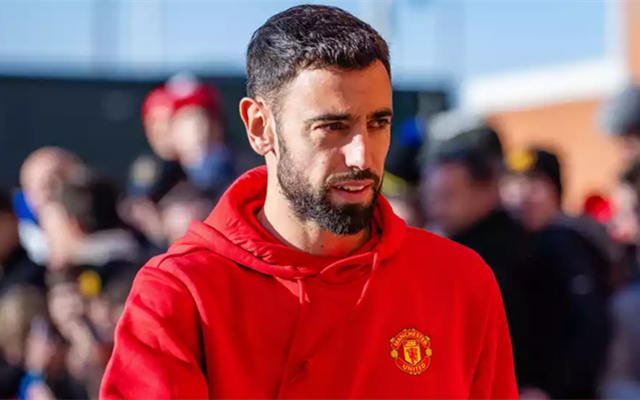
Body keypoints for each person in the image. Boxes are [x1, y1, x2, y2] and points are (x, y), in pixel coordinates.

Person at [100, 5, 517, 399]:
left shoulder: (459, 282)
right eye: (332, 126)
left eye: (378, 123)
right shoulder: (180, 294)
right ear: (260, 127)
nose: (362, 156)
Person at [423, 125, 539, 393]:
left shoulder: (505, 252)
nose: (436, 208)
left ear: (486, 190)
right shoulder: (451, 245)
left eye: (448, 196)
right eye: (432, 197)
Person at [519, 149, 613, 399]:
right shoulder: (527, 241)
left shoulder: (565, 242)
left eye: (535, 185)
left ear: (556, 190)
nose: (523, 195)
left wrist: (553, 390)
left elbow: (590, 325)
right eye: (516, 184)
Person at [16, 147, 83, 264]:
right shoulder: (25, 260)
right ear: (29, 198)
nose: (62, 192)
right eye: (50, 185)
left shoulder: (113, 249)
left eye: (67, 181)